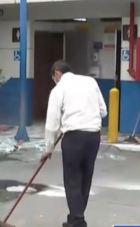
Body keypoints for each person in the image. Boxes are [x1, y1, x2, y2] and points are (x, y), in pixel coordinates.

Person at [41, 60, 107, 227]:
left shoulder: (58, 89)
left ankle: (78, 221)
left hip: (73, 138)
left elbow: (52, 123)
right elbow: (103, 111)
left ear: (57, 73)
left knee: (72, 179)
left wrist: (48, 148)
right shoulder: (90, 82)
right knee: (86, 178)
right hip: (93, 137)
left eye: (53, 77)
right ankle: (75, 217)